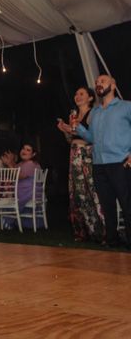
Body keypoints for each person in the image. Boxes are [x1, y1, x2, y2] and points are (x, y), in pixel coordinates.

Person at [70, 75, 131, 247]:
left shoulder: (126, 107)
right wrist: (78, 128)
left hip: (121, 162)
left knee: (127, 204)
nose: (98, 84)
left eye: (102, 81)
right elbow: (92, 137)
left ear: (113, 85)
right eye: (96, 83)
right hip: (98, 164)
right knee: (107, 204)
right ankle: (112, 239)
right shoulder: (95, 112)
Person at [56, 86, 105, 242]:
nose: (77, 96)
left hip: (87, 155)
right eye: (76, 93)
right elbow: (70, 139)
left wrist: (73, 128)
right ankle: (85, 231)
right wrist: (65, 129)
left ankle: (104, 230)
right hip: (74, 153)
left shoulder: (94, 113)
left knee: (93, 190)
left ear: (90, 98)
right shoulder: (74, 115)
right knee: (78, 193)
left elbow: (93, 136)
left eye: (82, 94)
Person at [1, 143, 42, 229]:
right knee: (7, 192)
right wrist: (11, 161)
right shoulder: (22, 163)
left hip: (29, 192)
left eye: (28, 150)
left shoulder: (31, 163)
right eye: (23, 149)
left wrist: (9, 164)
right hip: (26, 191)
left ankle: (6, 220)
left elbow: (19, 176)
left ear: (33, 154)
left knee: (8, 195)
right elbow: (14, 171)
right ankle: (6, 219)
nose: (24, 151)